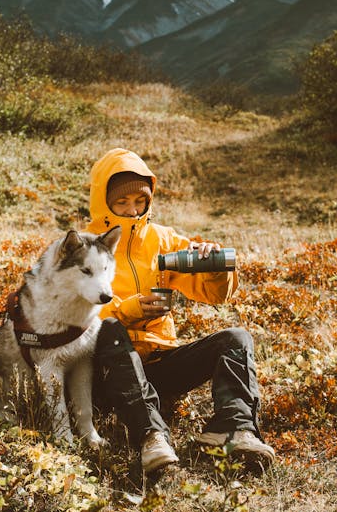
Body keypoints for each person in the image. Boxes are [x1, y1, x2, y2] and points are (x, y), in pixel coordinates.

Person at [87, 148, 275, 475]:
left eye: (140, 201)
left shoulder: (163, 240)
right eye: (122, 202)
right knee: (111, 330)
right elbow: (70, 317)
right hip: (105, 373)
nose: (133, 210)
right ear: (104, 202)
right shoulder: (83, 247)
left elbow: (216, 295)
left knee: (235, 339)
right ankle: (151, 437)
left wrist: (214, 268)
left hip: (158, 363)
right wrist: (125, 311)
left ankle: (232, 429)